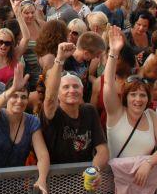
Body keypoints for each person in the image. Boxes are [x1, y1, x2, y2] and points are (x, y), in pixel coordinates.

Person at [104, 27, 157, 194]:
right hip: (112, 186)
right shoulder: (116, 113)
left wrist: (148, 163)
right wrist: (113, 52)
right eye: (133, 95)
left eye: (142, 95)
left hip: (140, 186)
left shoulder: (151, 116)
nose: (138, 99)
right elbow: (108, 84)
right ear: (126, 97)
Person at [41, 41, 109, 178]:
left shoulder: (89, 111)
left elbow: (102, 150)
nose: (72, 90)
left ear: (82, 91)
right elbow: (49, 98)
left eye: (76, 86)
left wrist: (94, 170)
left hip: (83, 180)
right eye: (66, 87)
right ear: (58, 94)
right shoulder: (52, 113)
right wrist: (59, 59)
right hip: (55, 181)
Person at [0, 63, 50, 194]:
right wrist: (13, 87)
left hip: (15, 189)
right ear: (7, 97)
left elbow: (42, 155)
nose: (19, 101)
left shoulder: (32, 121)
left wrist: (42, 179)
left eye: (23, 97)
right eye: (14, 96)